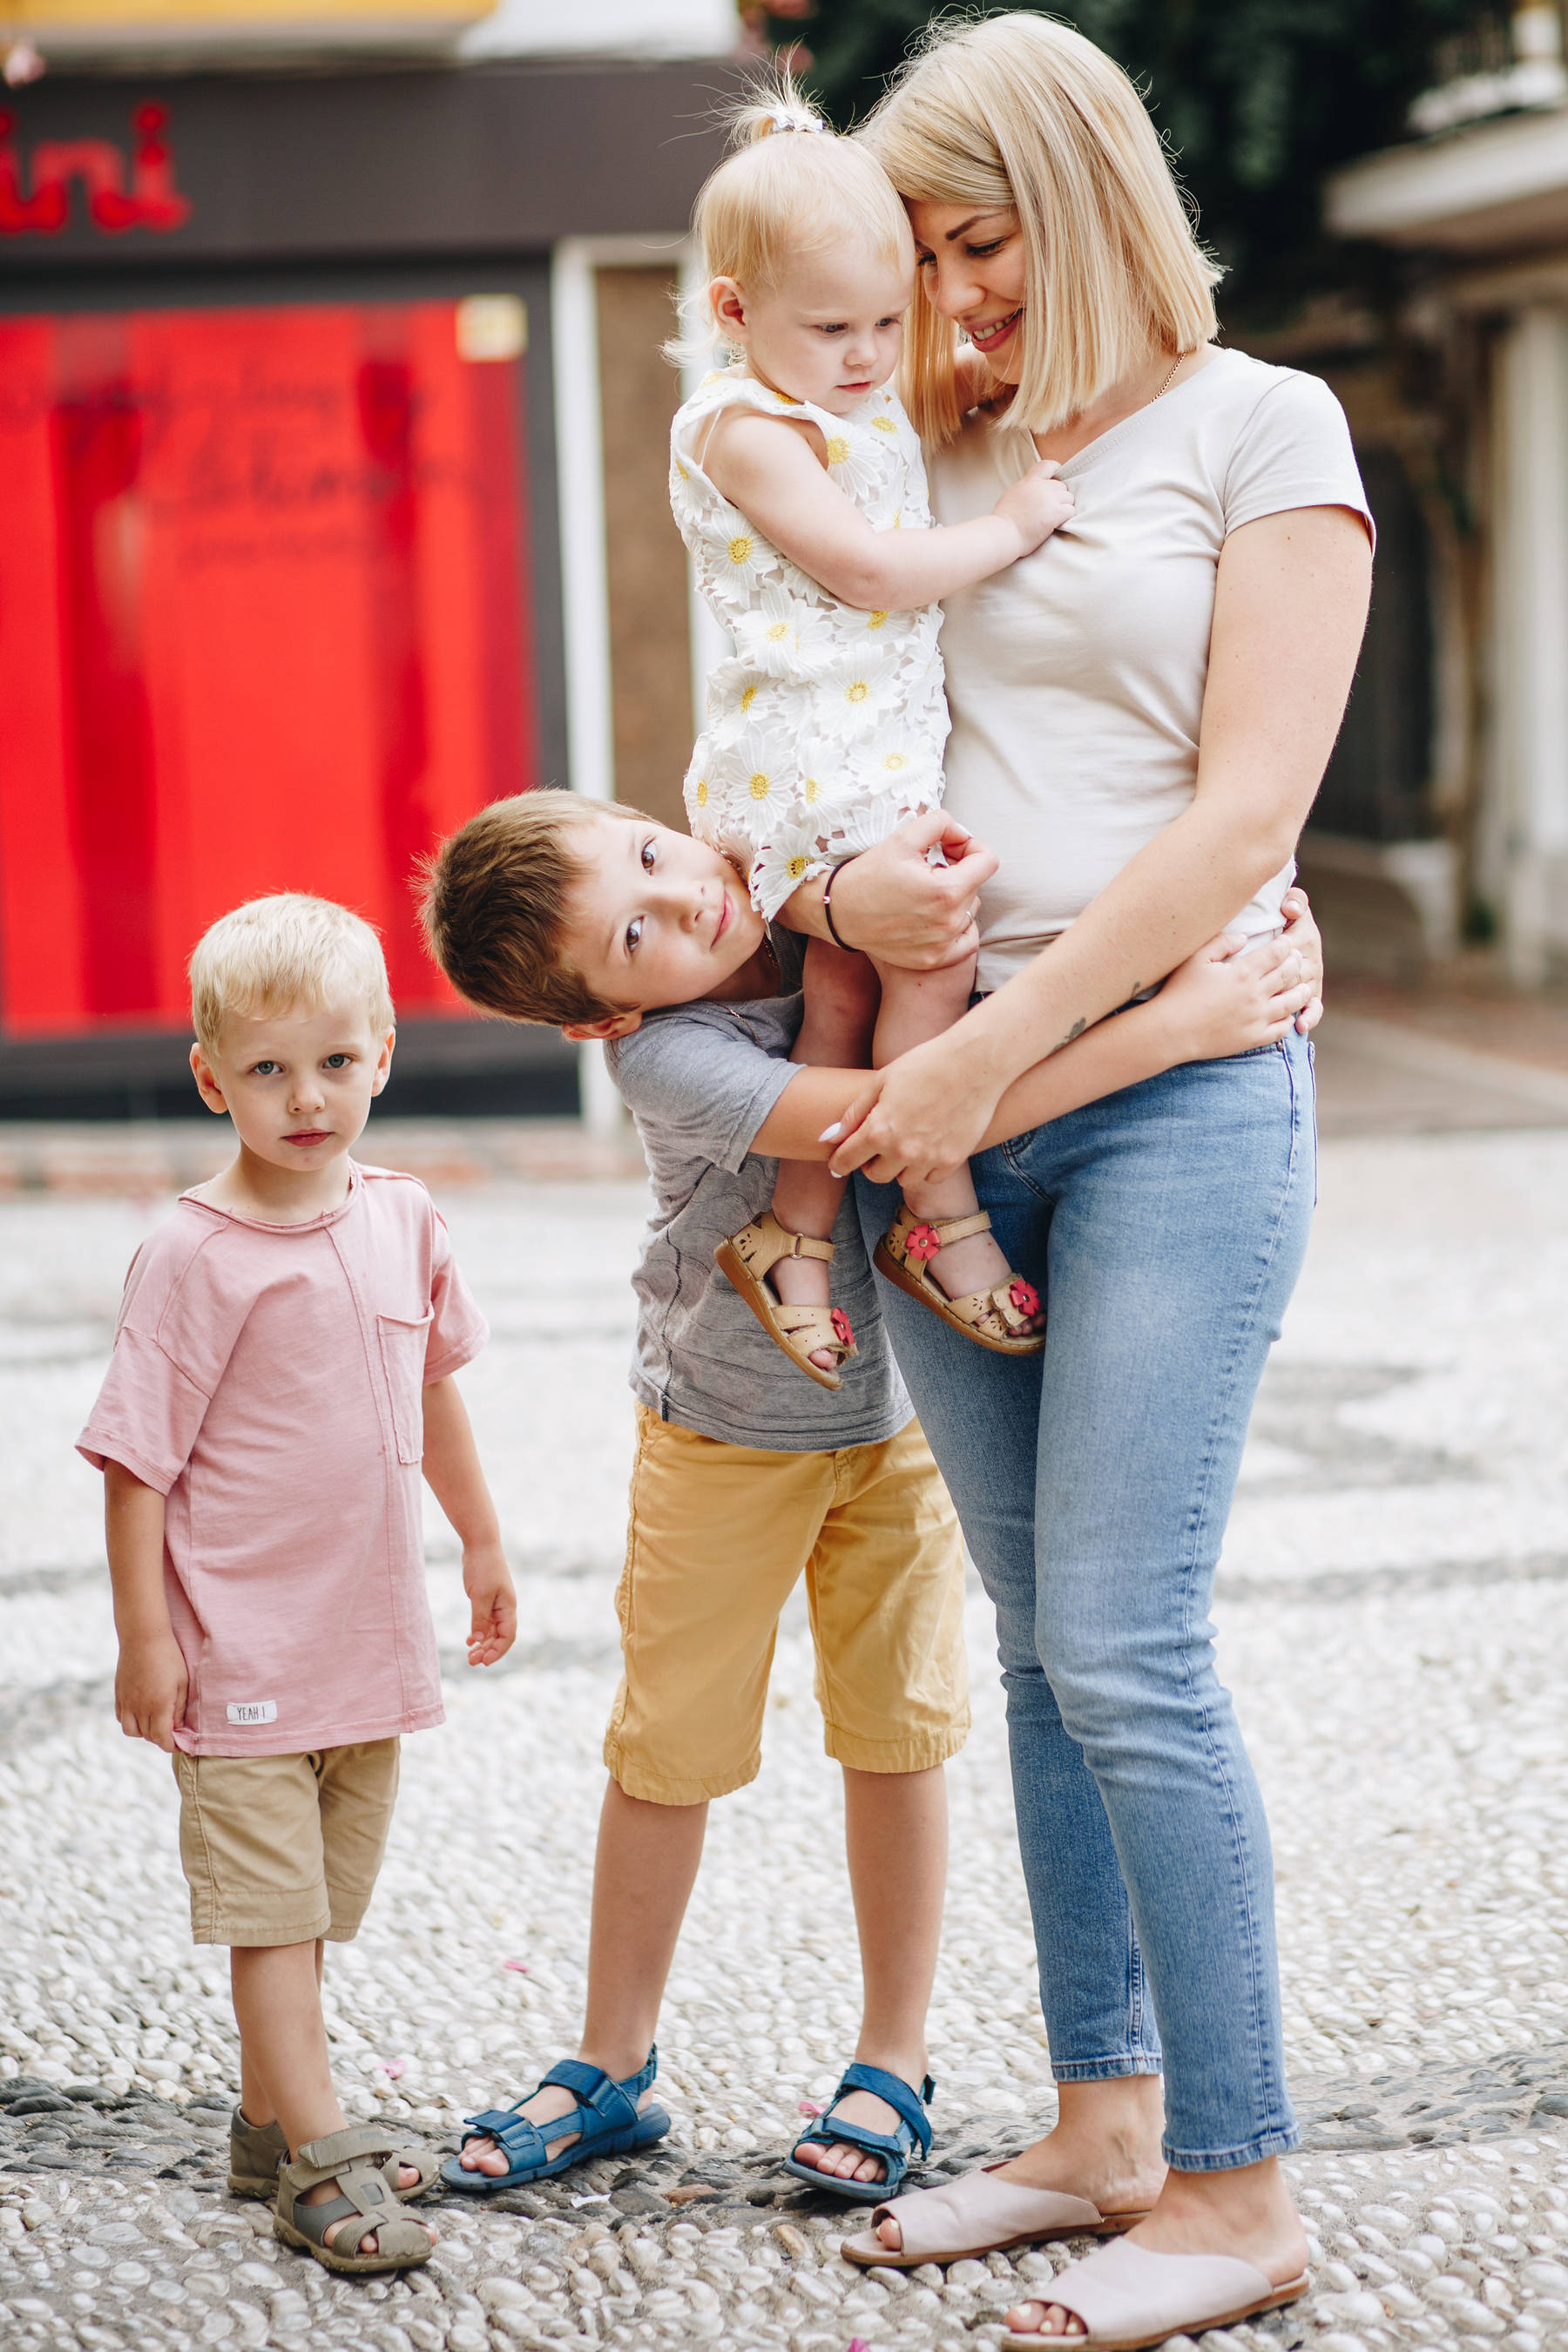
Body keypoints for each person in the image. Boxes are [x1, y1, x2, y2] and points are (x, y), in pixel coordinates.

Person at [767, 16, 1372, 2347]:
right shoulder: (918, 444)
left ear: (1092, 192)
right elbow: (802, 691)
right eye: (917, 258)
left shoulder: (1264, 430)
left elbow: (1242, 820)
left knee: (1129, 1635)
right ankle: (1104, 2123)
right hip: (938, 1108)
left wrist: (1003, 1059)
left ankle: (1237, 2182)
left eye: (982, 240)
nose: (955, 296)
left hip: (1163, 1098)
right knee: (1036, 1651)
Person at [416, 787, 1320, 2204]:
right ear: (601, 1018)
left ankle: (893, 2061)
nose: (681, 904)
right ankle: (611, 2059)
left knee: (898, 1737)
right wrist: (1178, 1028)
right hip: (719, 1432)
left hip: (892, 1418)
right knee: (670, 1750)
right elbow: (907, 1121)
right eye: (635, 934)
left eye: (651, 856)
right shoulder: (673, 1057)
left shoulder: (795, 884)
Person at [77, 894, 516, 2280]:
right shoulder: (194, 1258)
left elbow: (433, 1391)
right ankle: (318, 2164)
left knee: (317, 1906)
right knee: (272, 1919)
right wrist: (148, 1642)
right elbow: (134, 1465)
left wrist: (484, 1543)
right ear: (212, 1079)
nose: (306, 1097)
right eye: (267, 1069)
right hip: (240, 1655)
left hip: (366, 1645)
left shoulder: (403, 1217)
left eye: (333, 1061)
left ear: (383, 1052)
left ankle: (273, 2125)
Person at [670, 77, 1076, 1386]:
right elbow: (864, 569)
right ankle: (936, 1205)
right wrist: (1009, 530)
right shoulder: (743, 425)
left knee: (840, 991)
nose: (866, 353)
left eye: (889, 319)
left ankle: (792, 1233)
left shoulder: (848, 387)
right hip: (803, 757)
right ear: (734, 313)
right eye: (833, 326)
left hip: (866, 749)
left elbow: (945, 383)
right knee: (932, 949)